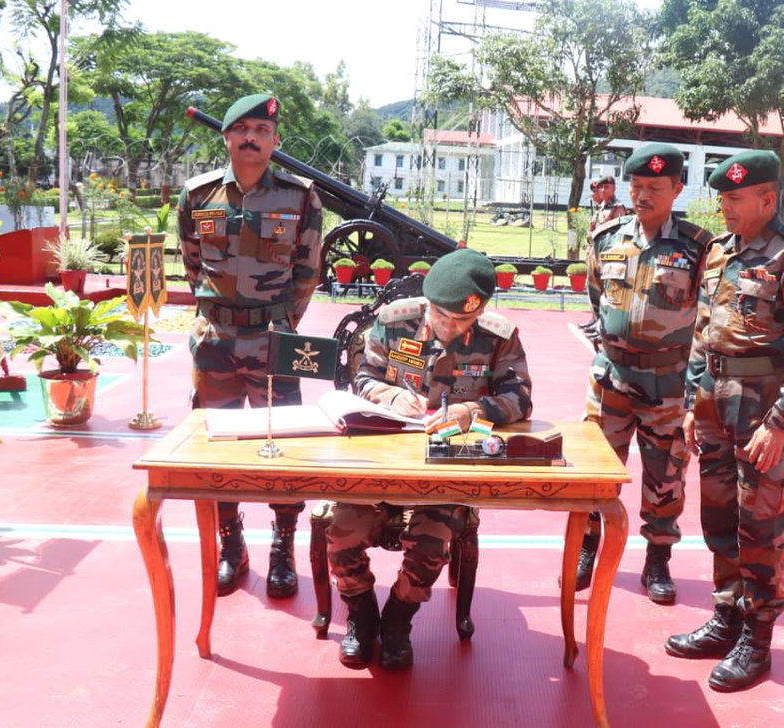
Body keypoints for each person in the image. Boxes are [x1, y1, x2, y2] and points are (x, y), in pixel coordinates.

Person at [664, 149, 784, 692]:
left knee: (761, 526)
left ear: (767, 198)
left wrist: (783, 420)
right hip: (714, 401)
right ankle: (726, 619)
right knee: (719, 518)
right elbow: (702, 330)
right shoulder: (718, 250)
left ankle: (757, 641)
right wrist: (692, 402)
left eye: (735, 199)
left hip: (762, 407)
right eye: (722, 199)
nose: (725, 208)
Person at [327, 248, 533, 670]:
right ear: (428, 302)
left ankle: (398, 617)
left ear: (479, 312)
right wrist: (390, 395)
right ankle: (361, 614)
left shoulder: (499, 336)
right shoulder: (394, 321)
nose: (449, 327)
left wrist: (474, 410)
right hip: (382, 461)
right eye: (441, 316)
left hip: (446, 469)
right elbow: (362, 377)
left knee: (432, 542)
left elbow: (520, 397)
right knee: (342, 533)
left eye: (461, 321)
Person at [177, 93, 323, 598]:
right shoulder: (197, 195)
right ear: (226, 137)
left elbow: (307, 271)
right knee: (217, 444)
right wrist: (219, 313)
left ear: (275, 141)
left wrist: (277, 322)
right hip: (215, 341)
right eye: (241, 129)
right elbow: (192, 264)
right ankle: (232, 544)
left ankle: (283, 547)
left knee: (284, 444)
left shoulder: (300, 197)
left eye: (261, 131)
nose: (251, 138)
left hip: (273, 341)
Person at [577, 143, 710, 604]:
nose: (643, 195)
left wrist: (694, 390)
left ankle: (657, 560)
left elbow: (707, 317)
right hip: (610, 378)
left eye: (655, 186)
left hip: (666, 382)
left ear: (677, 188)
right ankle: (587, 548)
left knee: (665, 475)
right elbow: (597, 297)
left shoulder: (698, 246)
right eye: (637, 186)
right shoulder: (606, 237)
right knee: (595, 471)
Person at [579, 175, 631, 335]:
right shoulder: (601, 207)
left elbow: (620, 233)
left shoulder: (617, 207)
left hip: (609, 256)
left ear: (614, 188)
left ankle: (603, 324)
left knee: (606, 290)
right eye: (601, 187)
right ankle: (594, 319)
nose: (603, 190)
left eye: (607, 187)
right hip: (595, 254)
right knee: (593, 288)